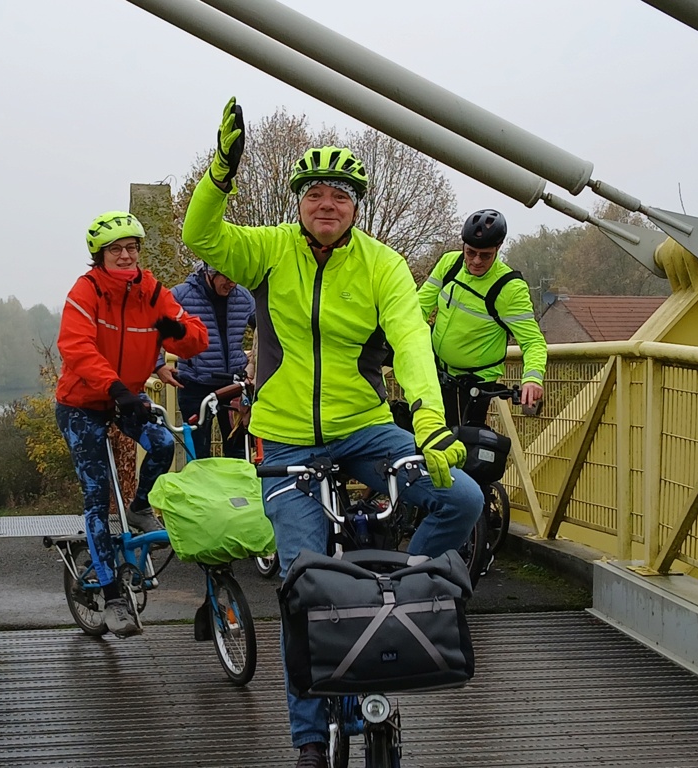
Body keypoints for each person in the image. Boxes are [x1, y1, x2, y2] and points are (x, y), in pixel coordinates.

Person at [182, 97, 483, 768]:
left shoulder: (382, 266)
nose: (327, 202)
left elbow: (410, 342)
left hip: (366, 430)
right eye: (314, 192)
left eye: (340, 194)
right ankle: (309, 740)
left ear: (356, 205)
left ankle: (404, 588)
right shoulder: (266, 251)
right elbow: (203, 237)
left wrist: (429, 422)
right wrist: (221, 172)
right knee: (299, 585)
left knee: (461, 499)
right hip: (287, 441)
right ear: (298, 202)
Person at [55, 211, 208, 637]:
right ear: (99, 256)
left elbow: (194, 338)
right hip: (82, 403)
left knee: (162, 445)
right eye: (116, 250)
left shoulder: (151, 292)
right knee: (97, 493)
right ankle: (111, 596)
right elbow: (77, 348)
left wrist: (177, 330)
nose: (126, 256)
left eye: (132, 248)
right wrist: (118, 387)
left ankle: (141, 507)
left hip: (125, 397)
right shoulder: (85, 292)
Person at [418, 209, 547, 426]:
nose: (476, 261)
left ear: (498, 249)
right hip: (436, 370)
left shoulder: (510, 289)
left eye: (485, 255)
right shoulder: (450, 263)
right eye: (470, 252)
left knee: (459, 447)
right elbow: (418, 308)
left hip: (474, 385)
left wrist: (532, 379)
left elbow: (533, 342)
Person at [155, 263, 256, 459]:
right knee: (198, 455)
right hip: (195, 384)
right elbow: (151, 329)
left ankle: (237, 490)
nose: (232, 283)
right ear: (210, 273)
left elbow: (265, 329)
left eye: (235, 277)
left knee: (239, 453)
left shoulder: (243, 297)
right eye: (226, 277)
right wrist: (158, 365)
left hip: (234, 386)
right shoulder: (181, 295)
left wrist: (255, 364)